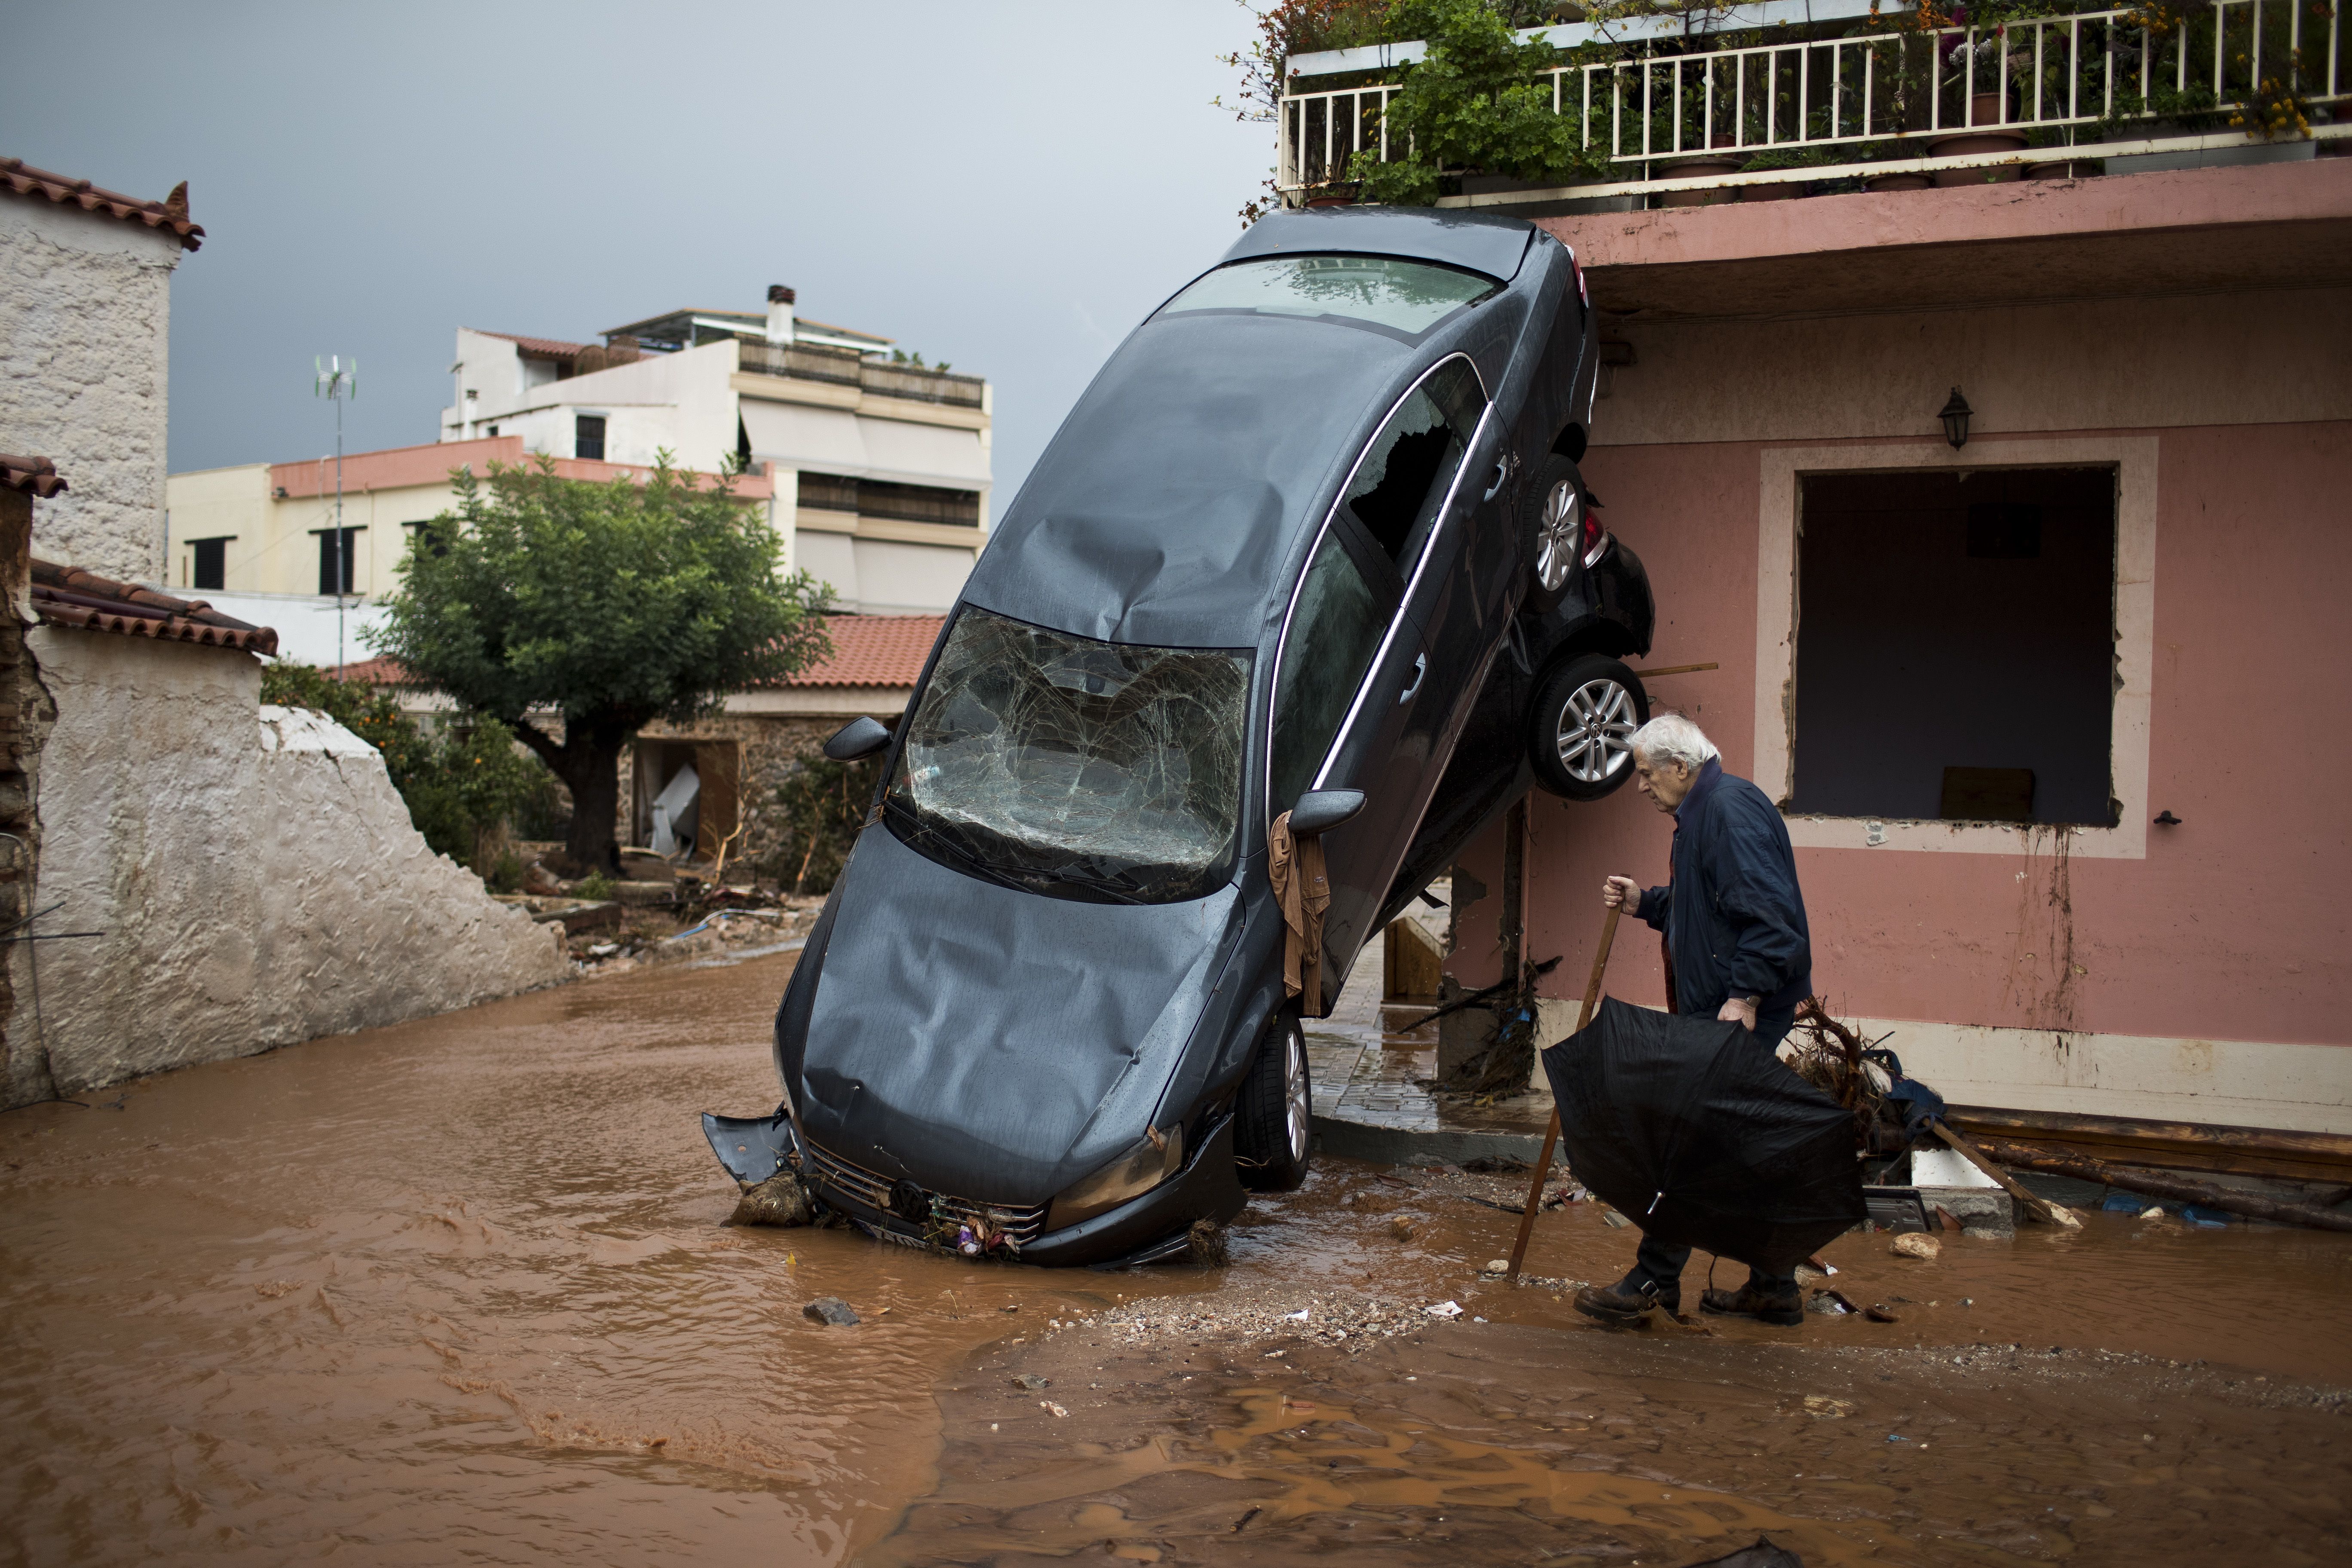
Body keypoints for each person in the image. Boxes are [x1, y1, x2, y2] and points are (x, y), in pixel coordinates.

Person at [1573, 713, 1813, 1329]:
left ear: (1681, 768)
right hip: (1724, 1006)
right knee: (1733, 1146)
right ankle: (1775, 1286)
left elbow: (1768, 915)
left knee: (1684, 1139)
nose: (1642, 787)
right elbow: (1709, 907)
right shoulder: (1704, 813)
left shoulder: (1729, 812)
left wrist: (1747, 998)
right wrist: (1646, 903)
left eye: (1648, 775)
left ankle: (1652, 1278)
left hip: (1737, 1011)